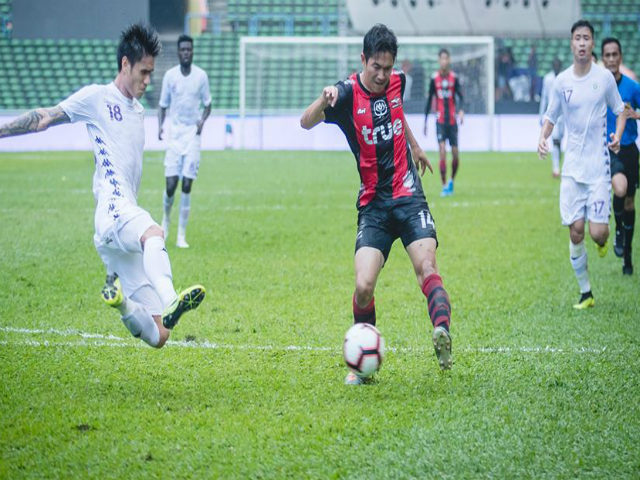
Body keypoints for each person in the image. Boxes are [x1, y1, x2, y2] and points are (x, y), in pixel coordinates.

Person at [0, 24, 205, 347]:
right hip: (114, 211)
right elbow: (45, 117)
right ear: (125, 64)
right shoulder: (97, 97)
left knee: (160, 335)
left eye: (151, 73)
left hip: (110, 231)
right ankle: (171, 299)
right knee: (153, 232)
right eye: (143, 72)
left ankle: (120, 300)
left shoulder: (137, 110)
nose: (148, 80)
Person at [300, 24, 453, 384]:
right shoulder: (347, 95)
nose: (383, 75)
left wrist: (414, 145)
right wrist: (324, 99)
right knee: (364, 285)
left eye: (388, 67)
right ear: (363, 60)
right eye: (377, 68)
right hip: (374, 206)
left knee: (427, 267)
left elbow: (396, 113)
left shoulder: (396, 82)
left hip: (408, 195)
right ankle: (364, 367)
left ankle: (442, 332)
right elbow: (305, 123)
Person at [538, 20, 627, 309]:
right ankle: (586, 292)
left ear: (592, 44)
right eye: (577, 38)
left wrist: (618, 136)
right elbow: (551, 117)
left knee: (597, 233)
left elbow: (620, 110)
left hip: (599, 169)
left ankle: (603, 240)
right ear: (571, 43)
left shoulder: (604, 79)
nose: (582, 43)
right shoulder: (562, 81)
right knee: (575, 229)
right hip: (572, 170)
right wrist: (543, 139)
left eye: (587, 38)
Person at [158, 34, 212, 249]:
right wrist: (160, 126)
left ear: (192, 51)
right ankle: (165, 220)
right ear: (179, 52)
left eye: (189, 49)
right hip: (175, 136)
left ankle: (181, 235)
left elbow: (208, 105)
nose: (186, 53)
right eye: (183, 50)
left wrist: (202, 121)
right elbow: (163, 104)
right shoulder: (170, 76)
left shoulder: (201, 76)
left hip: (192, 136)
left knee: (187, 184)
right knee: (171, 185)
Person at [601, 37, 640, 274]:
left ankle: (627, 256)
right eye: (608, 55)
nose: (612, 59)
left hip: (630, 151)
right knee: (620, 189)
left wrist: (635, 114)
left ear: (620, 57)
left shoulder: (632, 87)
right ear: (603, 59)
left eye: (615, 55)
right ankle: (617, 231)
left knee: (629, 203)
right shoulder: (597, 86)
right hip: (609, 149)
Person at [424, 48, 464, 197]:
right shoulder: (434, 79)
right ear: (439, 60)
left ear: (449, 60)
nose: (444, 61)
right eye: (442, 59)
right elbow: (429, 101)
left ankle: (452, 180)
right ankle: (444, 184)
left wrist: (461, 110)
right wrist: (425, 121)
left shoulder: (455, 78)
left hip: (452, 122)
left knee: (455, 154)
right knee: (442, 151)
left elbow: (461, 97)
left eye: (446, 58)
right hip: (440, 121)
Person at [539, 58, 564, 178]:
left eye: (558, 65)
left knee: (560, 140)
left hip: (564, 115)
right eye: (554, 65)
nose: (556, 67)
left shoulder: (565, 78)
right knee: (555, 140)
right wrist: (541, 114)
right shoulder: (548, 79)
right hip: (552, 114)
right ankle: (556, 168)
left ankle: (558, 164)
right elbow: (544, 97)